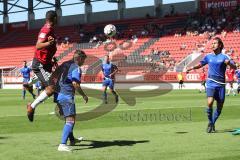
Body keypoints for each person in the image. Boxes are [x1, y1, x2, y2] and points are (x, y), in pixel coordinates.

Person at [186, 37, 237, 133]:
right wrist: (191, 67)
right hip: (210, 82)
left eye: (215, 43)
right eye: (212, 43)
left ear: (220, 45)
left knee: (219, 107)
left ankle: (212, 123)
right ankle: (210, 122)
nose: (212, 45)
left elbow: (235, 66)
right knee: (209, 102)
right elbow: (201, 64)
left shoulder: (225, 57)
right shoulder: (208, 56)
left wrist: (229, 63)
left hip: (221, 84)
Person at [27, 10, 58, 122]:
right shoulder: (46, 29)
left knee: (56, 83)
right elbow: (38, 45)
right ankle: (32, 107)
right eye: (57, 17)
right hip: (40, 64)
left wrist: (51, 56)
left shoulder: (50, 29)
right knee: (51, 88)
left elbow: (47, 48)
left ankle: (60, 105)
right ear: (54, 18)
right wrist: (49, 43)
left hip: (47, 63)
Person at [55, 50, 88, 152]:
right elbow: (75, 84)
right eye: (83, 60)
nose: (84, 62)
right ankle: (62, 144)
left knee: (69, 119)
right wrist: (84, 95)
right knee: (70, 120)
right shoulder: (76, 68)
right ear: (79, 58)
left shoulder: (66, 66)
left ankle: (72, 140)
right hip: (67, 97)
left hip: (60, 95)